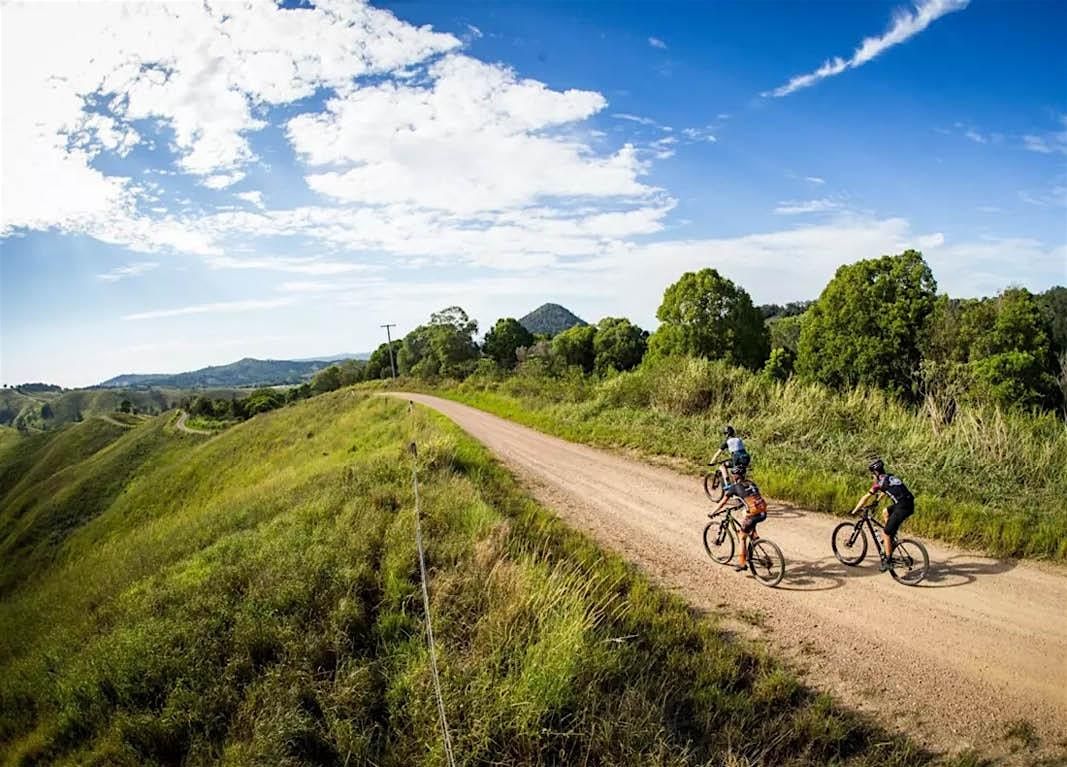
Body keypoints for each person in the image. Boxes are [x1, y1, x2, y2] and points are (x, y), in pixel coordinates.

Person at [851, 458, 915, 571]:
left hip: (902, 508)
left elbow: (865, 497)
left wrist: (854, 511)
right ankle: (892, 536)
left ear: (875, 473)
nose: (872, 477)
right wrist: (877, 502)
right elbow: (886, 491)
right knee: (885, 512)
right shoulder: (890, 477)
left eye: (872, 475)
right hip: (908, 503)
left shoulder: (878, 484)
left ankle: (888, 561)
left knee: (886, 533)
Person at [709, 465, 768, 571]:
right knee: (746, 519)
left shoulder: (734, 487)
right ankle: (755, 539)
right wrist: (741, 505)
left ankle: (742, 563)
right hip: (763, 511)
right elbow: (750, 497)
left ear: (735, 476)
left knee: (742, 536)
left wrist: (713, 512)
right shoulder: (751, 483)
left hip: (753, 513)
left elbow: (722, 503)